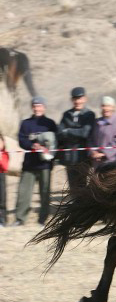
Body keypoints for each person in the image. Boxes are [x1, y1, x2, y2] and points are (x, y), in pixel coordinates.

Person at [13, 96, 57, 226]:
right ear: (32, 107)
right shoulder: (25, 123)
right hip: (29, 164)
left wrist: (46, 149)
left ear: (44, 107)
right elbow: (21, 140)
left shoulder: (50, 123)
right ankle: (20, 219)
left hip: (44, 165)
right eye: (35, 106)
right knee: (23, 192)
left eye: (39, 106)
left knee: (45, 193)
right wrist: (32, 145)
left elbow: (56, 141)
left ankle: (42, 219)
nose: (37, 108)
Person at [57, 87, 96, 189]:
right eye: (75, 98)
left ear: (85, 99)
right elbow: (60, 133)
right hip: (69, 157)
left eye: (80, 98)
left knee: (83, 186)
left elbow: (85, 133)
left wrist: (68, 131)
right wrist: (76, 132)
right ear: (72, 100)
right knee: (73, 187)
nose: (77, 101)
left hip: (83, 157)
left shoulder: (89, 114)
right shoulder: (66, 115)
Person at [89, 97, 116, 168]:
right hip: (97, 163)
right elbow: (91, 139)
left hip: (112, 163)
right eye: (104, 106)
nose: (106, 108)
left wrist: (103, 154)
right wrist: (93, 152)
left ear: (113, 107)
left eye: (108, 106)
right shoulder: (96, 122)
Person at [0, 133, 8, 227]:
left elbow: (4, 166)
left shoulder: (4, 154)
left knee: (2, 199)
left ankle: (2, 220)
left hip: (1, 175)